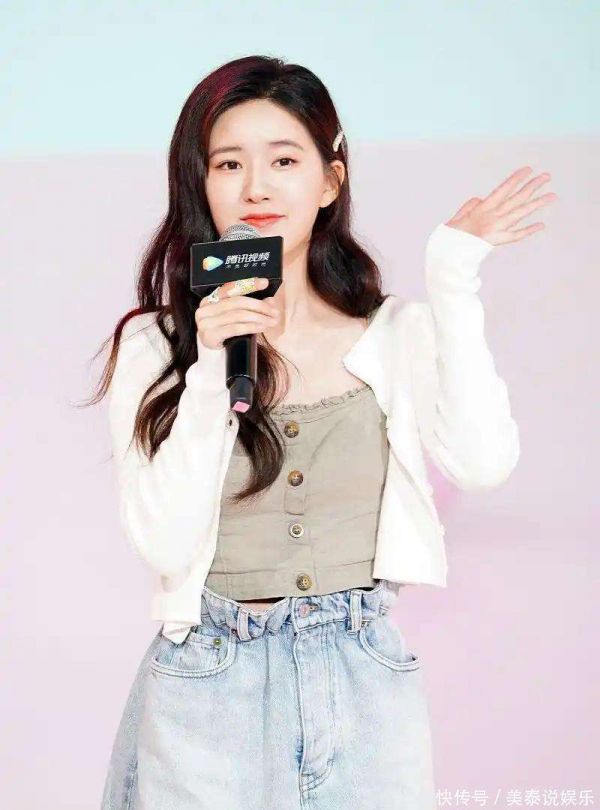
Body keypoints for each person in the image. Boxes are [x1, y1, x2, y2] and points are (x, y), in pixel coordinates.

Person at [96, 55, 554, 809]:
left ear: (330, 181)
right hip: (208, 687)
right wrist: (210, 365)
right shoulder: (156, 346)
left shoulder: (393, 333)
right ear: (200, 184)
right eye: (229, 164)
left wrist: (452, 278)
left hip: (363, 680)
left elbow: (482, 463)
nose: (256, 187)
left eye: (284, 160)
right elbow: (165, 543)